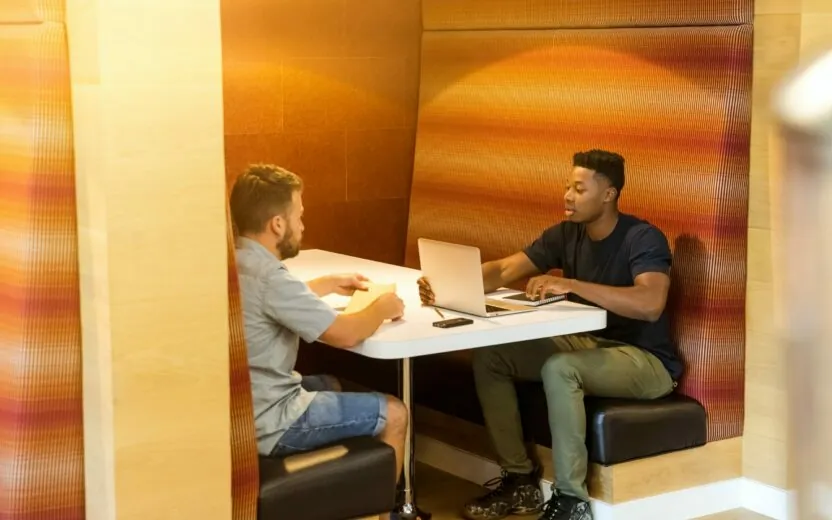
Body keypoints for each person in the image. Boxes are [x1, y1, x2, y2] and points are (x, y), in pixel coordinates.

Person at [418, 150, 683, 520]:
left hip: (644, 360)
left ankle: (572, 500)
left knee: (560, 369)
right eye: (567, 186)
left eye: (578, 189)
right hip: (590, 343)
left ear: (608, 194)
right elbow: (506, 268)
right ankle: (520, 480)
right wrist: (447, 283)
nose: (567, 196)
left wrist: (572, 283)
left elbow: (650, 302)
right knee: (493, 356)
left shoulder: (642, 238)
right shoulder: (566, 234)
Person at [230, 164, 410, 518]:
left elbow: (273, 302)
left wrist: (326, 283)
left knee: (333, 384)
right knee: (394, 412)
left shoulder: (235, 261)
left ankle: (348, 498)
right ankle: (381, 513)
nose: (302, 225)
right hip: (271, 419)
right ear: (277, 224)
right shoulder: (269, 275)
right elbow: (344, 334)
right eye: (298, 215)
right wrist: (381, 307)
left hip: (240, 409)